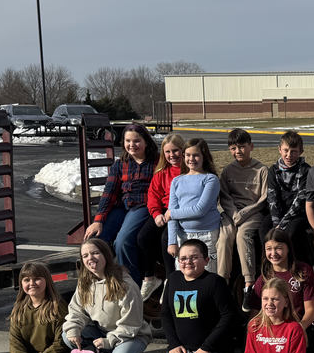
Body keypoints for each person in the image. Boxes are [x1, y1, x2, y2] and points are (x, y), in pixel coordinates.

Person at [154, 239, 242, 353]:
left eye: (194, 257)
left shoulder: (215, 282)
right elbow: (165, 314)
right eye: (183, 258)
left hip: (212, 348)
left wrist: (206, 347)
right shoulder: (173, 279)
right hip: (182, 348)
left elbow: (228, 317)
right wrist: (173, 344)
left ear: (206, 260)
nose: (188, 262)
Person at [84, 123, 159, 286]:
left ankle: (131, 283)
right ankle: (99, 280)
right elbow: (109, 192)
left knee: (123, 241)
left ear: (146, 141)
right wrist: (98, 220)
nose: (132, 145)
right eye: (128, 141)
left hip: (142, 206)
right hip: (122, 207)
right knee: (96, 240)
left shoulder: (157, 162)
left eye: (137, 141)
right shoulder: (120, 164)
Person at [62, 238, 151, 353]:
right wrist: (73, 329)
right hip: (101, 332)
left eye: (95, 253)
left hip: (131, 335)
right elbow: (77, 311)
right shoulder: (85, 283)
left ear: (106, 255)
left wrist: (109, 340)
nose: (90, 258)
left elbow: (131, 324)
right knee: (67, 335)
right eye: (85, 255)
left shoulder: (125, 284)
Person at [217, 128, 269, 296]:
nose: (238, 151)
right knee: (224, 237)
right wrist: (234, 214)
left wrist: (245, 213)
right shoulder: (227, 170)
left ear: (251, 146)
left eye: (241, 147)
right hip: (231, 214)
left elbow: (264, 198)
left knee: (242, 236)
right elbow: (224, 197)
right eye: (233, 148)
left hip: (253, 214)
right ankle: (222, 282)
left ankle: (249, 283)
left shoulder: (261, 170)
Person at [138, 133, 186, 300]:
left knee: (166, 239)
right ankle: (149, 278)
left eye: (176, 150)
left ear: (183, 150)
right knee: (143, 237)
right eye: (167, 152)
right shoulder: (162, 172)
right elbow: (153, 195)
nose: (172, 155)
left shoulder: (189, 170)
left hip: (180, 212)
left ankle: (170, 280)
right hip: (163, 211)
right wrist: (156, 213)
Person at [247, 228, 314, 338]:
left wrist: (298, 329)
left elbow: (311, 310)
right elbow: (255, 316)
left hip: (298, 332)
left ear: (288, 248)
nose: (273, 253)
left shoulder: (303, 272)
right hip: (271, 335)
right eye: (269, 249)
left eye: (278, 248)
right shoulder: (263, 279)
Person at [167, 138, 222, 273]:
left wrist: (172, 213)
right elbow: (171, 215)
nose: (191, 159)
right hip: (183, 237)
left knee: (206, 275)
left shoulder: (210, 179)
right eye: (188, 155)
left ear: (204, 156)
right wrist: (172, 241)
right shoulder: (176, 181)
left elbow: (200, 210)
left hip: (207, 236)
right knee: (184, 275)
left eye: (196, 155)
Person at [267, 130, 311, 258]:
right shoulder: (273, 170)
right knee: (264, 230)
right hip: (279, 213)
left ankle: (291, 263)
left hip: (298, 214)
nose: (289, 155)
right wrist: (276, 224)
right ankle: (268, 263)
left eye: (294, 151)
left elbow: (300, 200)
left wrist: (282, 225)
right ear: (279, 149)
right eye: (286, 150)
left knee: (290, 233)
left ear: (301, 152)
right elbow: (272, 198)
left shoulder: (306, 170)